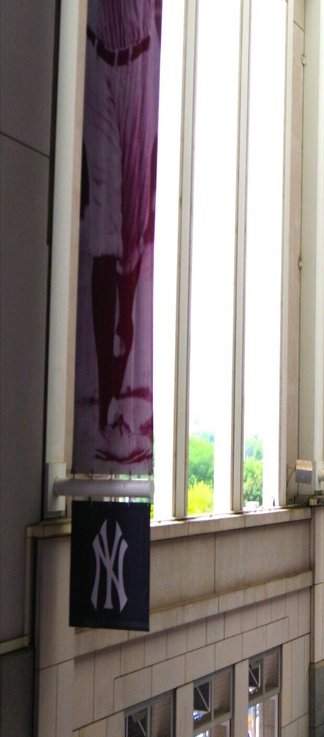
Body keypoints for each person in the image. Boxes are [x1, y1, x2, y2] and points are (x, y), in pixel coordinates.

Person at [78, 0, 158, 467]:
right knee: (103, 233)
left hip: (141, 64)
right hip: (98, 59)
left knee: (130, 238)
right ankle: (108, 411)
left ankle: (122, 358)